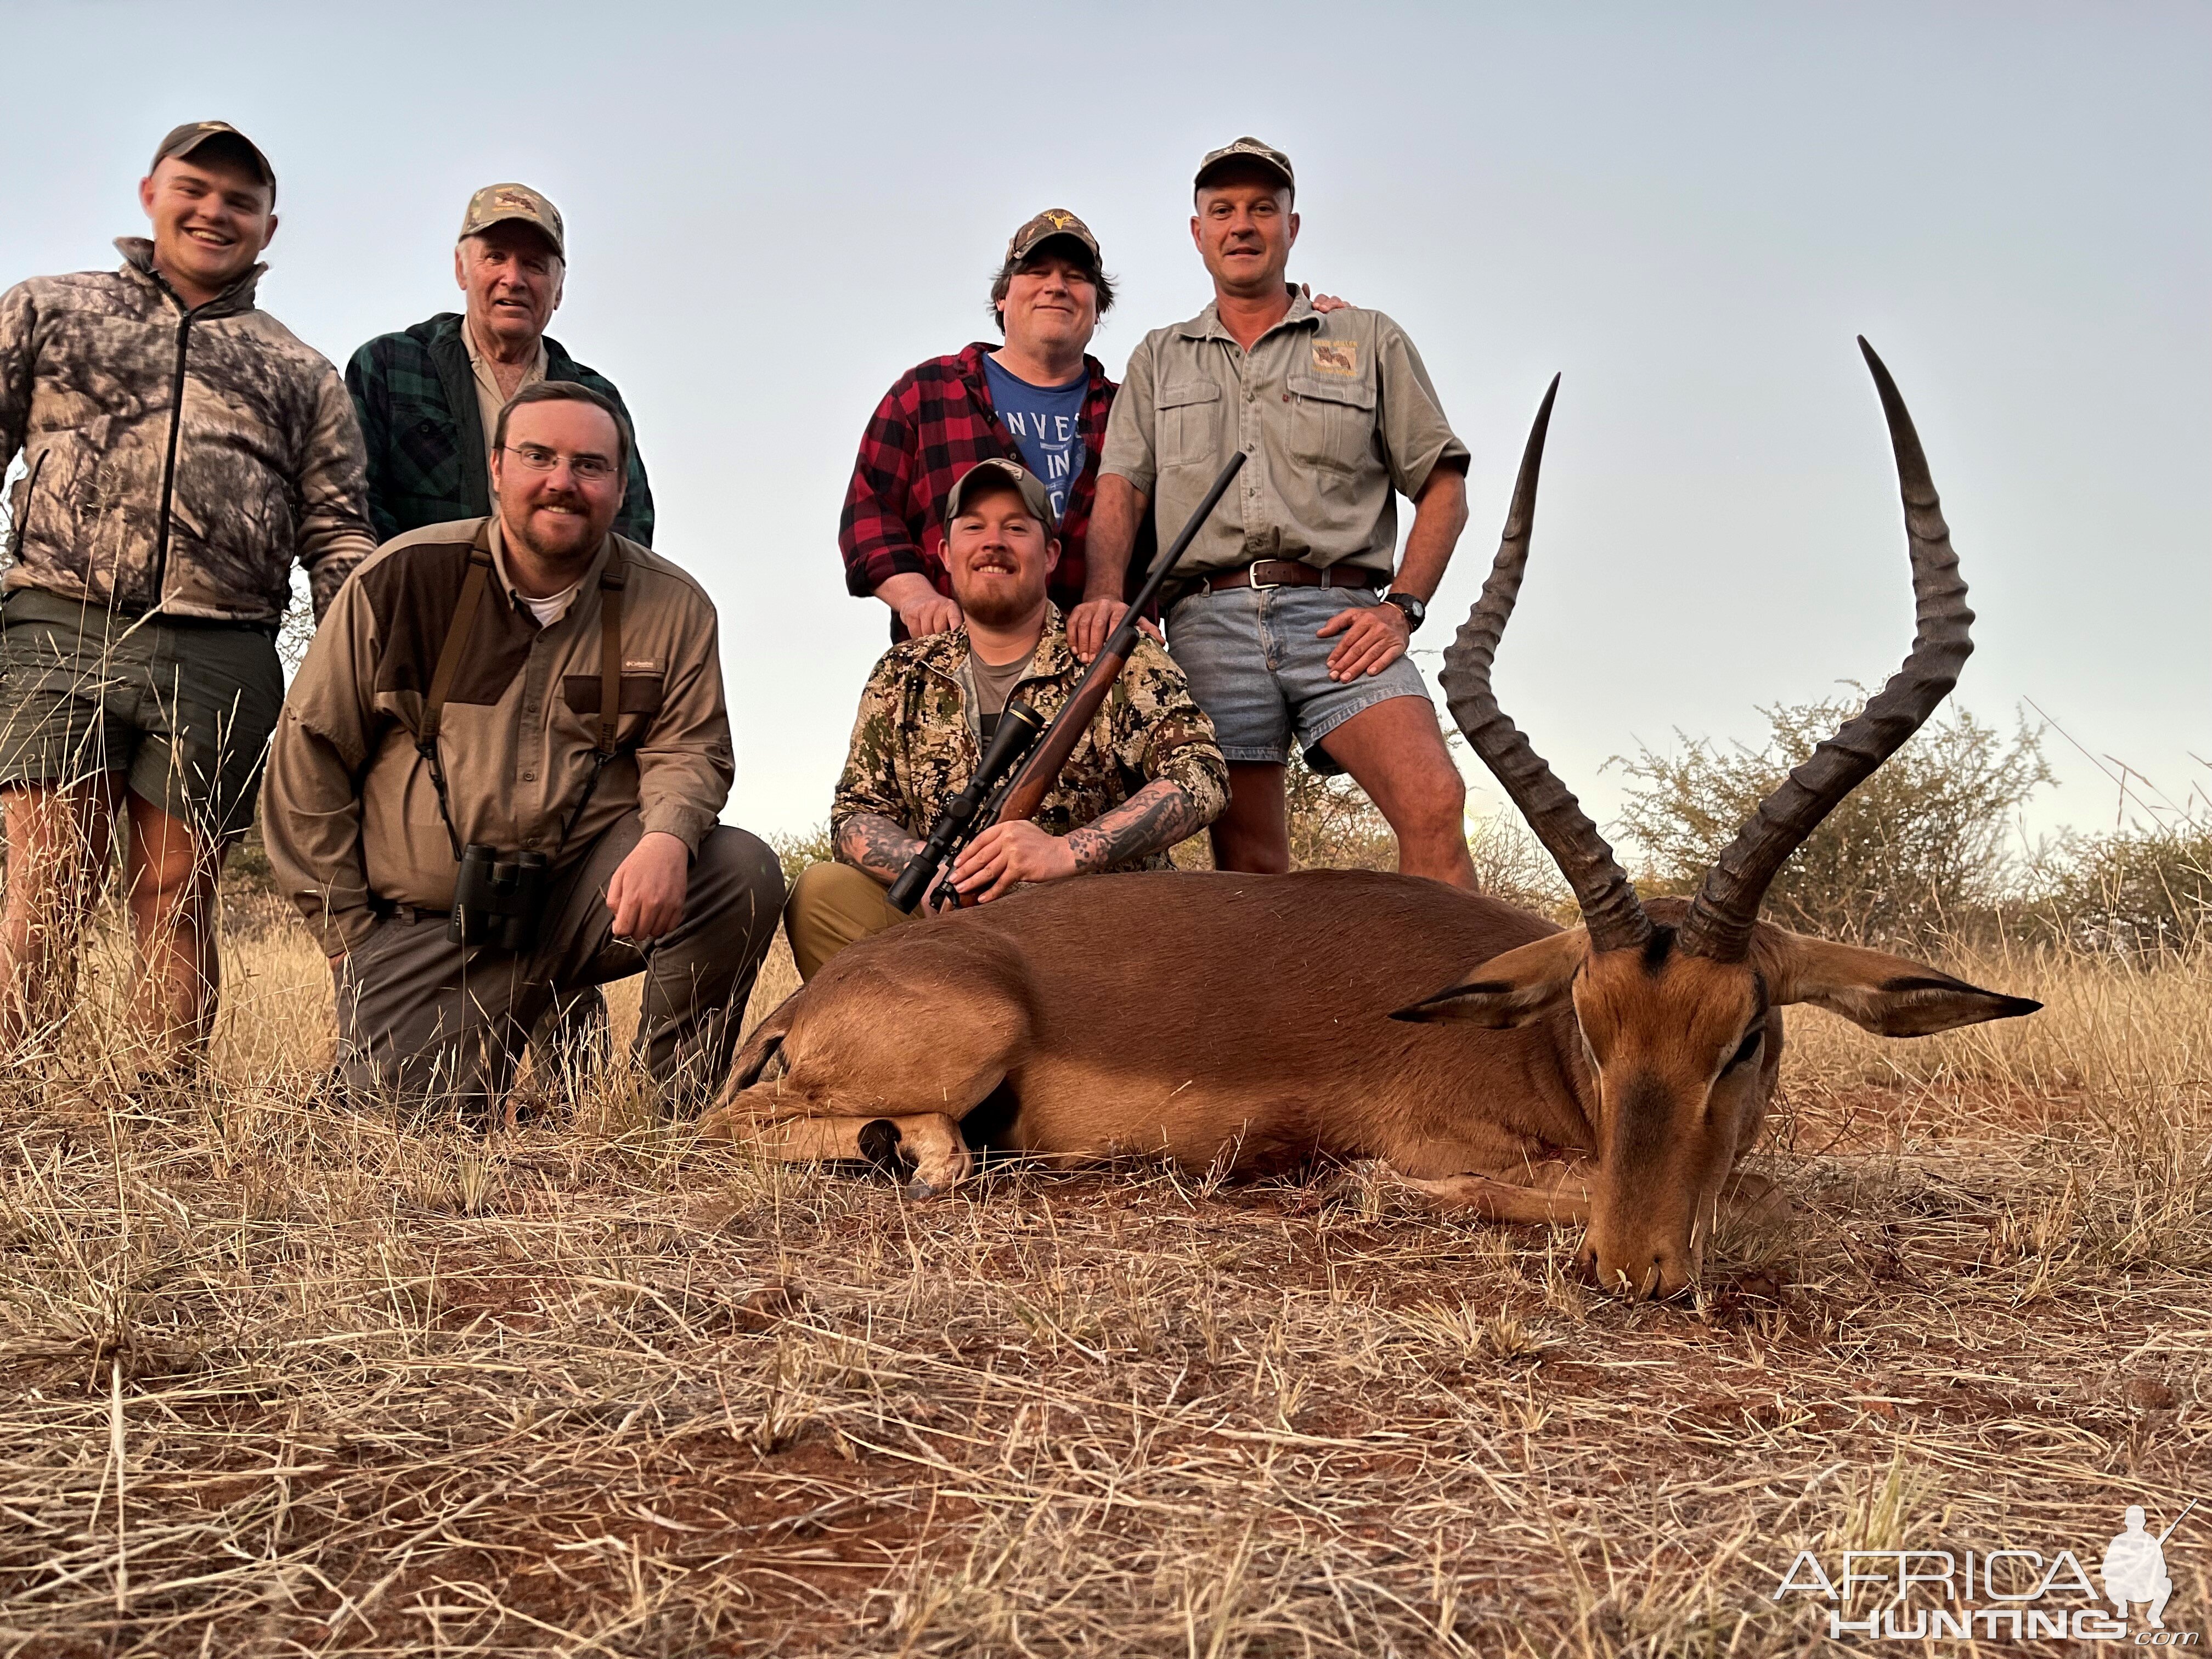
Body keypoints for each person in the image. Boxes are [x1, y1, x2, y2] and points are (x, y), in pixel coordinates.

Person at [262, 381, 781, 1117]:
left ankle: (669, 1115)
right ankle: (460, 1036)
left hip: (580, 902)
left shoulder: (676, 604)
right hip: (432, 920)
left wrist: (667, 836)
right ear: (498, 467)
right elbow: (308, 757)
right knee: (402, 1127)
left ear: (619, 485)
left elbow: (691, 746)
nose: (562, 482)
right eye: (539, 456)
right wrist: (350, 943)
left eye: (590, 465)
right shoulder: (402, 577)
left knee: (738, 868)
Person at [0, 121, 377, 1069]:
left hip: (222, 646)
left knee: (176, 891)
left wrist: (360, 668)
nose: (215, 212)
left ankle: (158, 1108)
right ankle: (21, 1095)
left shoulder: (300, 370)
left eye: (239, 201)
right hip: (59, 619)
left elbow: (335, 530)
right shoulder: (50, 308)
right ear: (150, 193)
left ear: (268, 223)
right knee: (46, 878)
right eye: (195, 189)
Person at [1085, 137, 1479, 888]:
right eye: (1223, 210)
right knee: (1252, 868)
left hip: (1341, 619)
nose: (1243, 225)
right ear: (1197, 233)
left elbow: (1444, 485)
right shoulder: (1159, 356)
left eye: (1263, 209)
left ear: (1292, 229)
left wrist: (1403, 608)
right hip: (1209, 623)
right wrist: (1107, 592)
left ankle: (1458, 1005)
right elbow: (1123, 490)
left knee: (1435, 801)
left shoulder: (1366, 338)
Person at [788, 458, 1227, 979]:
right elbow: (856, 813)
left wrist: (1065, 853)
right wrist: (928, 870)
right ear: (947, 556)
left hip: (1097, 936)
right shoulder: (902, 672)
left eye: (1016, 528)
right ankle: (919, 1053)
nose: (993, 541)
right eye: (974, 526)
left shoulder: (1117, 655)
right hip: (951, 929)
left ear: (1050, 555)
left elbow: (1202, 774)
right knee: (821, 894)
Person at [346, 183, 654, 546]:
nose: (514, 279)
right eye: (495, 257)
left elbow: (629, 527)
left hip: (560, 602)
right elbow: (354, 505)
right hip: (417, 598)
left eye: (534, 265)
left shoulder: (598, 399)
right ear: (462, 270)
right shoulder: (388, 366)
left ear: (559, 289)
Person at [2102, 1507, 2173, 1629]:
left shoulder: (2151, 1541)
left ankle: (2154, 1615)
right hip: (2123, 1588)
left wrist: (2148, 1569)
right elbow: (2106, 1570)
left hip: (2144, 1588)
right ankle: (2122, 1607)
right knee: (2111, 1584)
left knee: (2166, 1583)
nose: (2135, 1523)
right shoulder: (2119, 1541)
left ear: (2144, 1522)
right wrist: (2126, 1568)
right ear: (2126, 1521)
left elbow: (2162, 1569)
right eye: (2132, 1520)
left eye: (2138, 1520)